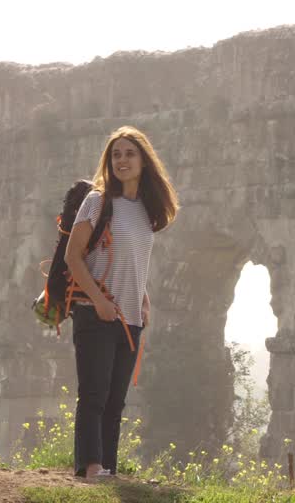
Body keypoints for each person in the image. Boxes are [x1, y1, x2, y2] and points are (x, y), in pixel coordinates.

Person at [64, 126, 179, 478]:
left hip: (129, 317)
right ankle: (89, 466)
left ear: (144, 161)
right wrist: (98, 301)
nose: (122, 161)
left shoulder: (146, 210)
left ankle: (107, 468)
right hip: (95, 312)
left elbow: (133, 259)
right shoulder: (98, 201)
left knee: (115, 401)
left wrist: (142, 300)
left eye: (129, 154)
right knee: (94, 395)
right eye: (116, 155)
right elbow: (73, 257)